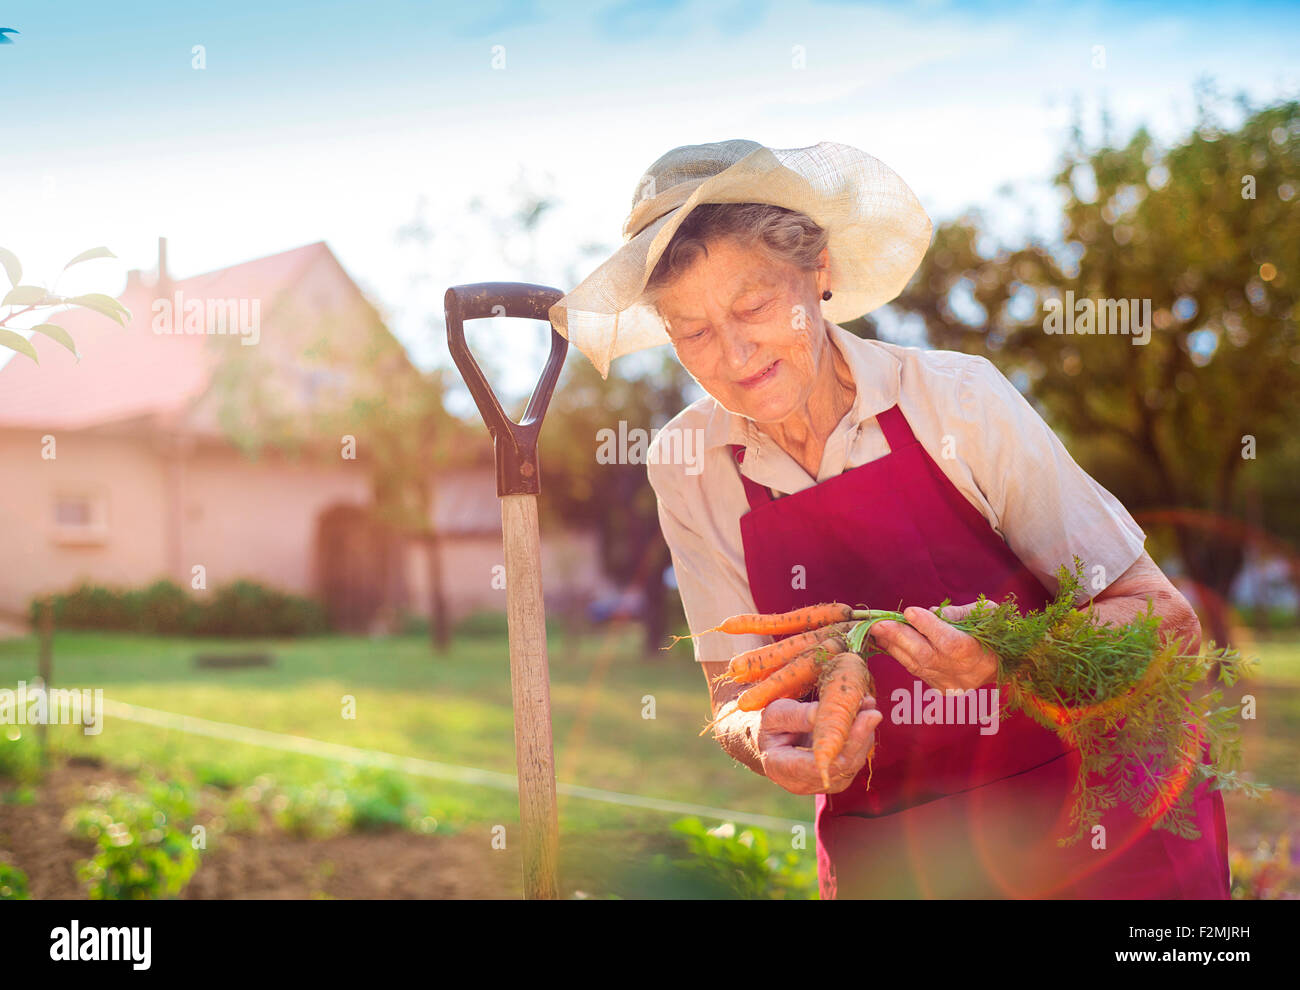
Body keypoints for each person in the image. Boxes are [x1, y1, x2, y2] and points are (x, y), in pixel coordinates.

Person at [549, 139, 1230, 899]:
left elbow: (1164, 620)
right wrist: (766, 740)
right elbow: (733, 697)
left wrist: (1014, 655)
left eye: (753, 306)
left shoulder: (957, 401)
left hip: (1096, 831)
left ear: (821, 272)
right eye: (693, 332)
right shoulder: (685, 461)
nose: (735, 353)